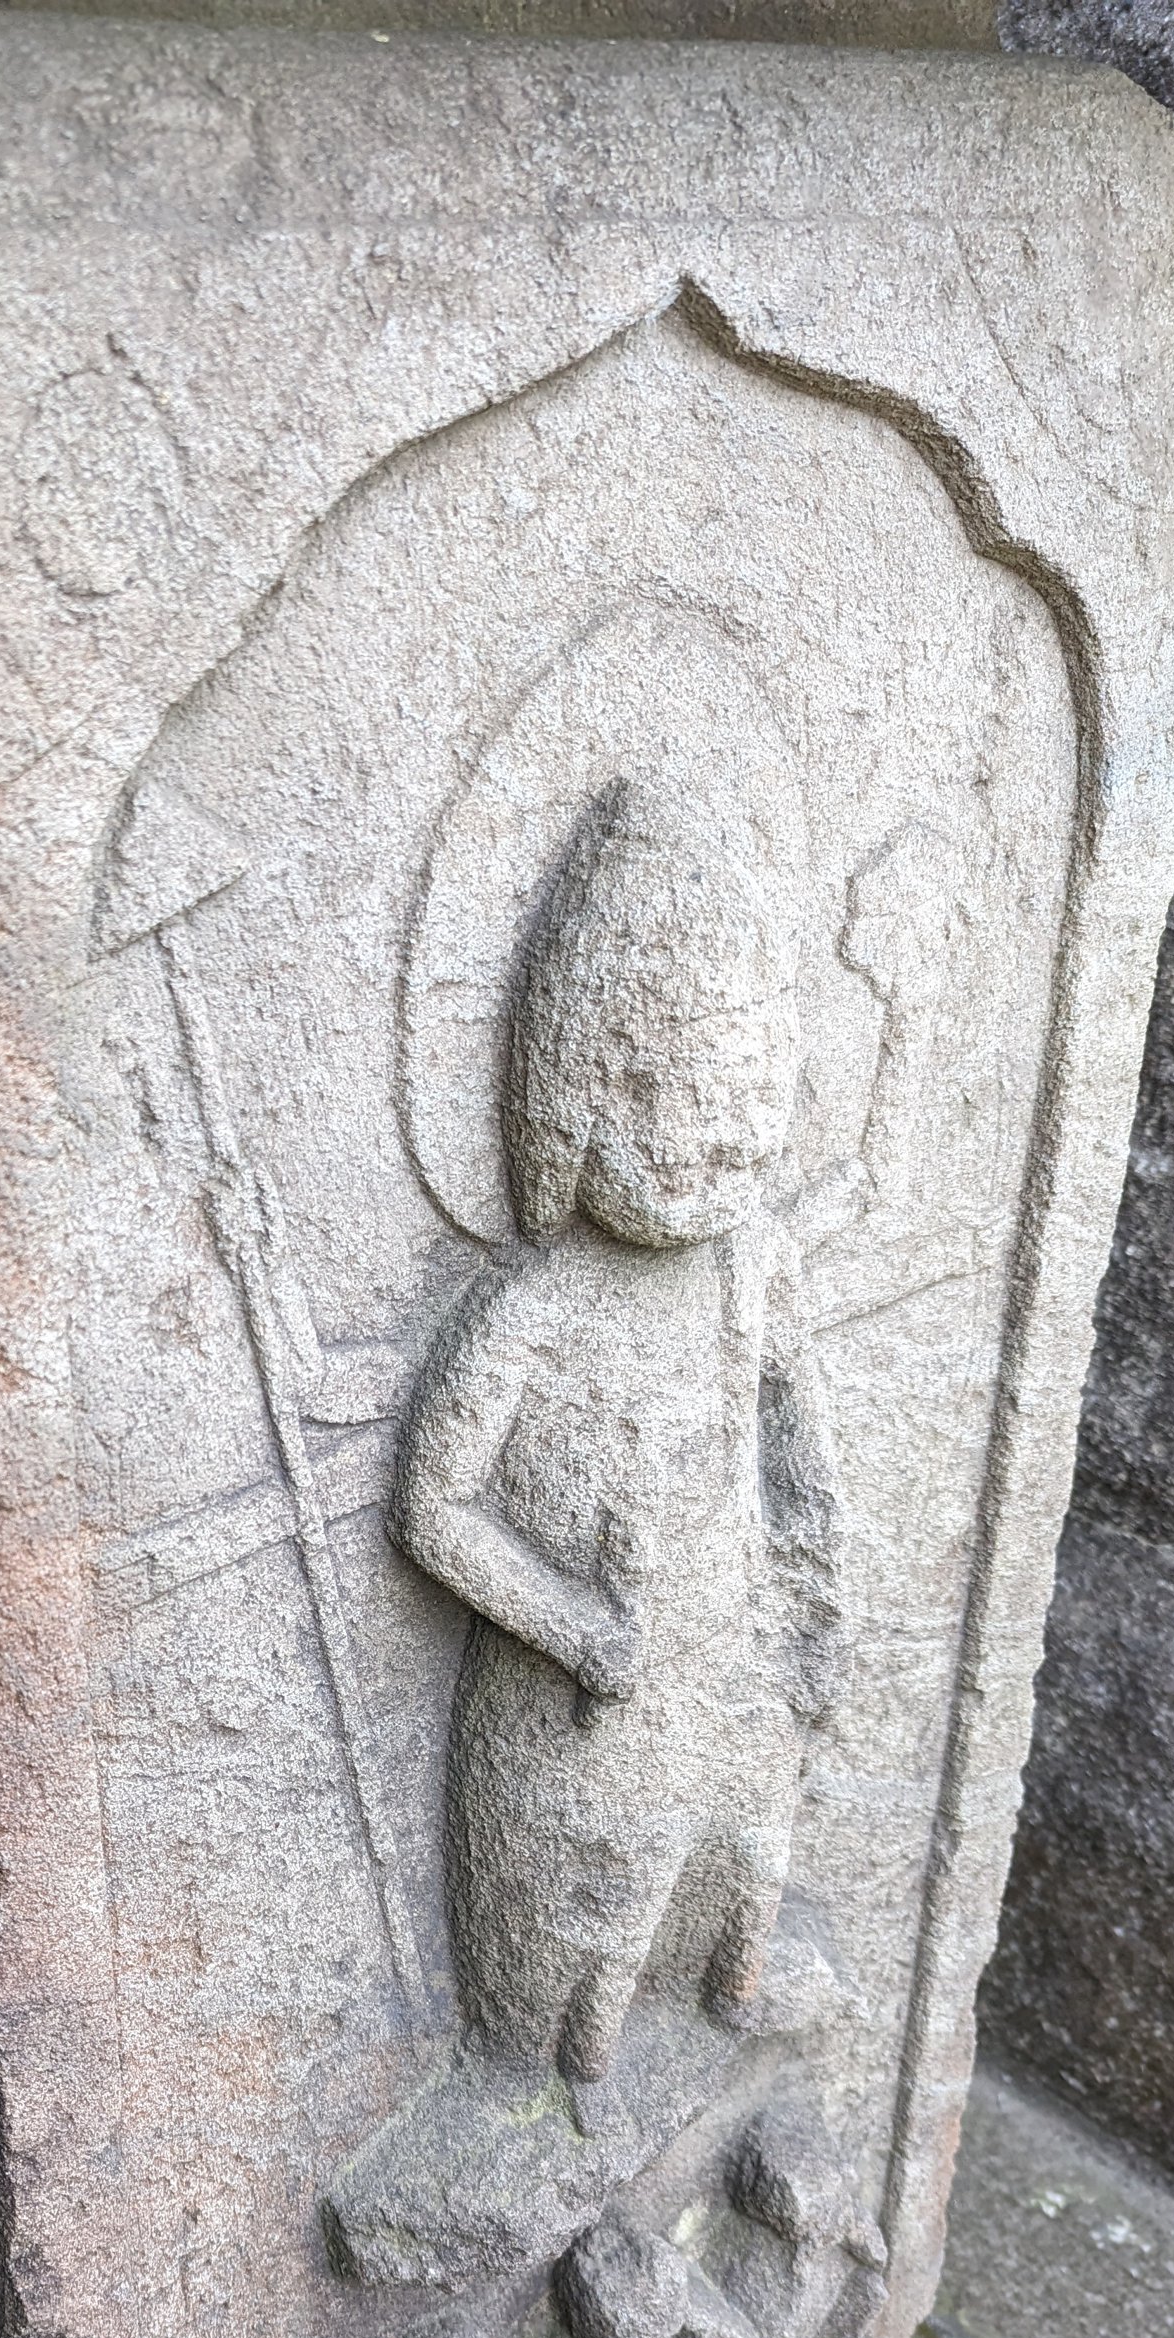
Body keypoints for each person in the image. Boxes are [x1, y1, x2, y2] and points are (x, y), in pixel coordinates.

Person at [392, 779, 842, 2119]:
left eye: (751, 1096)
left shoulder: (753, 1268)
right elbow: (433, 1506)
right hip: (583, 1688)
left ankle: (728, 1997)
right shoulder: (536, 1309)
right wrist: (570, 1621)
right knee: (597, 1902)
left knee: (750, 1851)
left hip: (730, 1647)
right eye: (673, 1099)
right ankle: (561, 2080)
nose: (720, 1141)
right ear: (576, 1097)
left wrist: (817, 1595)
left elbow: (797, 1450)